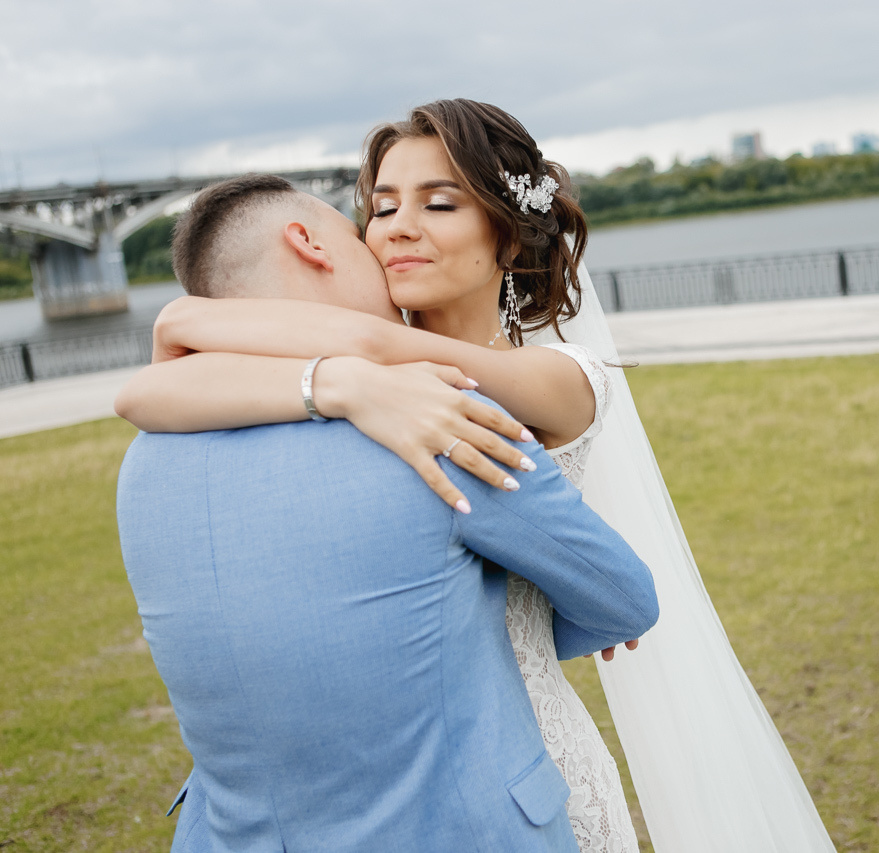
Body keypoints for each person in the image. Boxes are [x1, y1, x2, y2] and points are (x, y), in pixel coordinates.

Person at [118, 100, 838, 851]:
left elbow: (377, 351)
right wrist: (338, 380)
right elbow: (142, 395)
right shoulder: (377, 386)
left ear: (504, 228)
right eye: (380, 206)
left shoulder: (545, 378)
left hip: (515, 759)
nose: (396, 225)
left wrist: (189, 324)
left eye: (438, 202)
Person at [115, 174, 660, 851]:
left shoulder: (146, 458)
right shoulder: (432, 421)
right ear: (310, 244)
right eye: (361, 229)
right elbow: (625, 598)